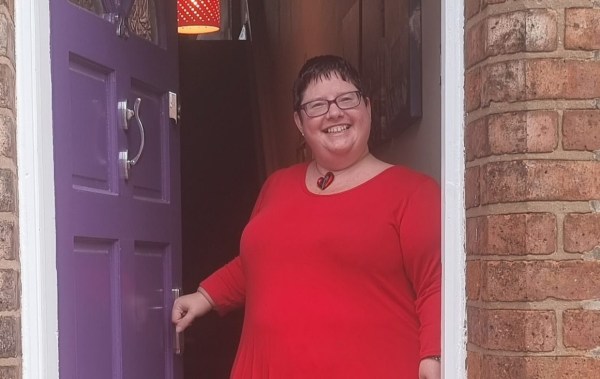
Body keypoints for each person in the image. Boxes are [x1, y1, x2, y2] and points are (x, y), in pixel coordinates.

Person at [172, 54, 441, 379]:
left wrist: (434, 356)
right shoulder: (278, 185)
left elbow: (436, 283)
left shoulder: (413, 192)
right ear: (299, 123)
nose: (335, 112)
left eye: (347, 99)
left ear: (367, 107)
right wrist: (205, 296)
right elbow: (259, 260)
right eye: (317, 105)